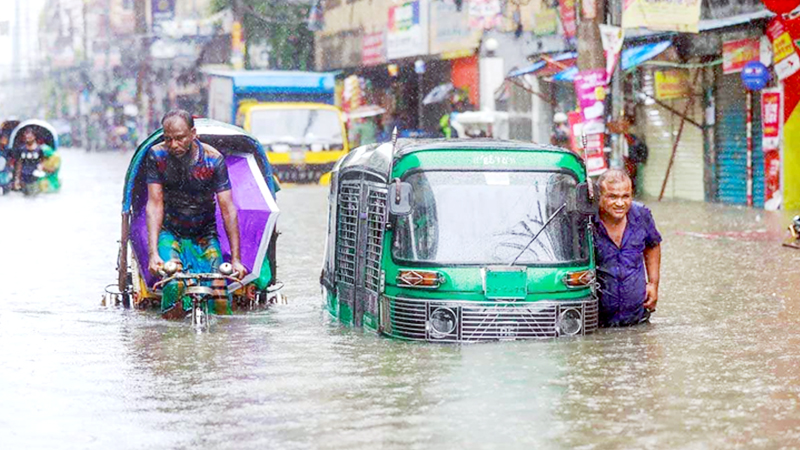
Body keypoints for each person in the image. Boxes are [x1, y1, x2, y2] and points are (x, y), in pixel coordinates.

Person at [145, 110, 246, 319]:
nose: (173, 145)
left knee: (219, 291)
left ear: (193, 133)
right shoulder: (157, 155)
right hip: (170, 232)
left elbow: (227, 208)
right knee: (173, 284)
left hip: (204, 235)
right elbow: (155, 204)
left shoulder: (213, 160)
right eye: (168, 139)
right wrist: (153, 253)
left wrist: (236, 259)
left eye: (180, 138)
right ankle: (171, 342)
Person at [593, 169, 662, 327]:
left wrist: (653, 284)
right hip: (599, 322)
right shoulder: (587, 220)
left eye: (626, 196)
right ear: (599, 197)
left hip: (637, 317)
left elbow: (653, 245)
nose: (620, 203)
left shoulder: (641, 215)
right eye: (612, 197)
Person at [13, 129, 46, 194]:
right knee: (24, 196)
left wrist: (41, 167)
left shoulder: (39, 149)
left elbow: (43, 161)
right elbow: (19, 164)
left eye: (30, 137)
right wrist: (17, 179)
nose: (28, 139)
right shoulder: (21, 149)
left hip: (35, 177)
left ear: (34, 137)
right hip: (24, 176)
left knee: (35, 195)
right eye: (26, 137)